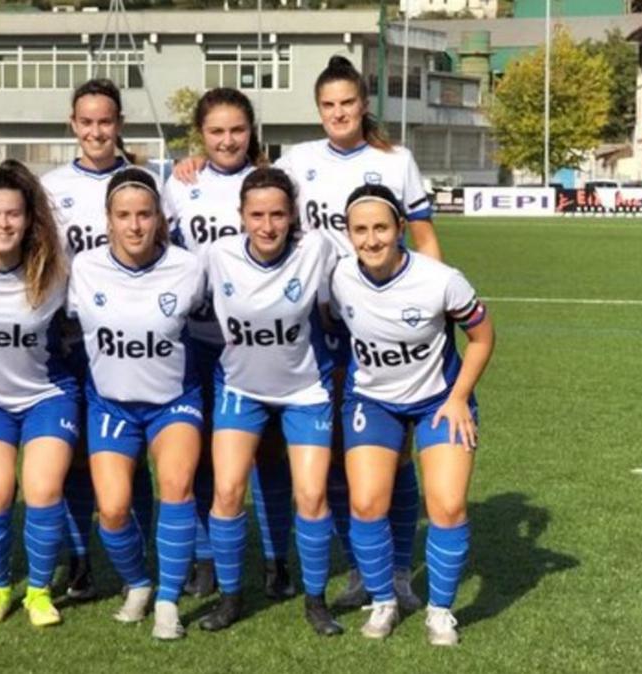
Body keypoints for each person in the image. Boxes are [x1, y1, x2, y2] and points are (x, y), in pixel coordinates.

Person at [176, 55, 444, 610]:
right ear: (318, 109)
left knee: (388, 453)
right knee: (342, 453)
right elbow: (258, 185)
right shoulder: (298, 160)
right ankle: (358, 566)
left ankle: (396, 572)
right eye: (328, 105)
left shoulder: (397, 161)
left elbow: (424, 238)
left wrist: (432, 300)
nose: (339, 113)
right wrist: (193, 160)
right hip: (315, 326)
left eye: (348, 103)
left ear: (363, 105)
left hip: (379, 320)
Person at [331, 184, 493, 646]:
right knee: (366, 503)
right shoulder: (340, 278)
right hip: (372, 402)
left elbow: (482, 337)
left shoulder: (441, 279)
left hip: (439, 401)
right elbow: (330, 325)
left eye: (381, 227)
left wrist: (460, 396)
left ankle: (440, 612)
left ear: (401, 228)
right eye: (360, 230)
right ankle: (383, 600)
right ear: (349, 234)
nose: (372, 239)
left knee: (447, 505)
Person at [162, 87, 295, 601]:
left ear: (251, 132)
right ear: (201, 135)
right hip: (195, 340)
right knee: (195, 455)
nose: (227, 140)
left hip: (258, 343)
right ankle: (205, 559)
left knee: (266, 455)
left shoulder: (272, 185)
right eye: (216, 131)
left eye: (237, 130)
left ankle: (275, 558)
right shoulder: (179, 184)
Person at [197, 167, 342, 635]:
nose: (267, 225)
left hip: (306, 391)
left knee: (312, 495)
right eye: (257, 215)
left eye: (278, 214)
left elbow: (362, 276)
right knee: (226, 492)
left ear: (292, 215)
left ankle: (316, 600)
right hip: (240, 389)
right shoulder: (216, 255)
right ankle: (231, 596)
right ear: (240, 216)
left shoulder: (316, 249)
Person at [67, 168, 205, 640]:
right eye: (123, 216)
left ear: (160, 219)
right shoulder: (83, 268)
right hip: (110, 404)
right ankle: (138, 583)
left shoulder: (188, 267)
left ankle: (168, 599)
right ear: (107, 219)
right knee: (112, 510)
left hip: (173, 401)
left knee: (176, 487)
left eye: (144, 215)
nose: (134, 225)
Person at [41, 78, 157, 601]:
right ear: (72, 124)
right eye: (86, 122)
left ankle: (150, 554)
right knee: (78, 455)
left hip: (137, 340)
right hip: (68, 338)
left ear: (119, 125)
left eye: (105, 121)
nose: (95, 131)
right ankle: (80, 560)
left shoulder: (147, 180)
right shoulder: (50, 187)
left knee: (138, 453)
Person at [0, 161, 75, 627]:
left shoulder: (55, 268)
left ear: (28, 218)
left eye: (13, 214)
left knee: (43, 490)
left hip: (47, 395)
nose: (4, 224)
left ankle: (40, 592)